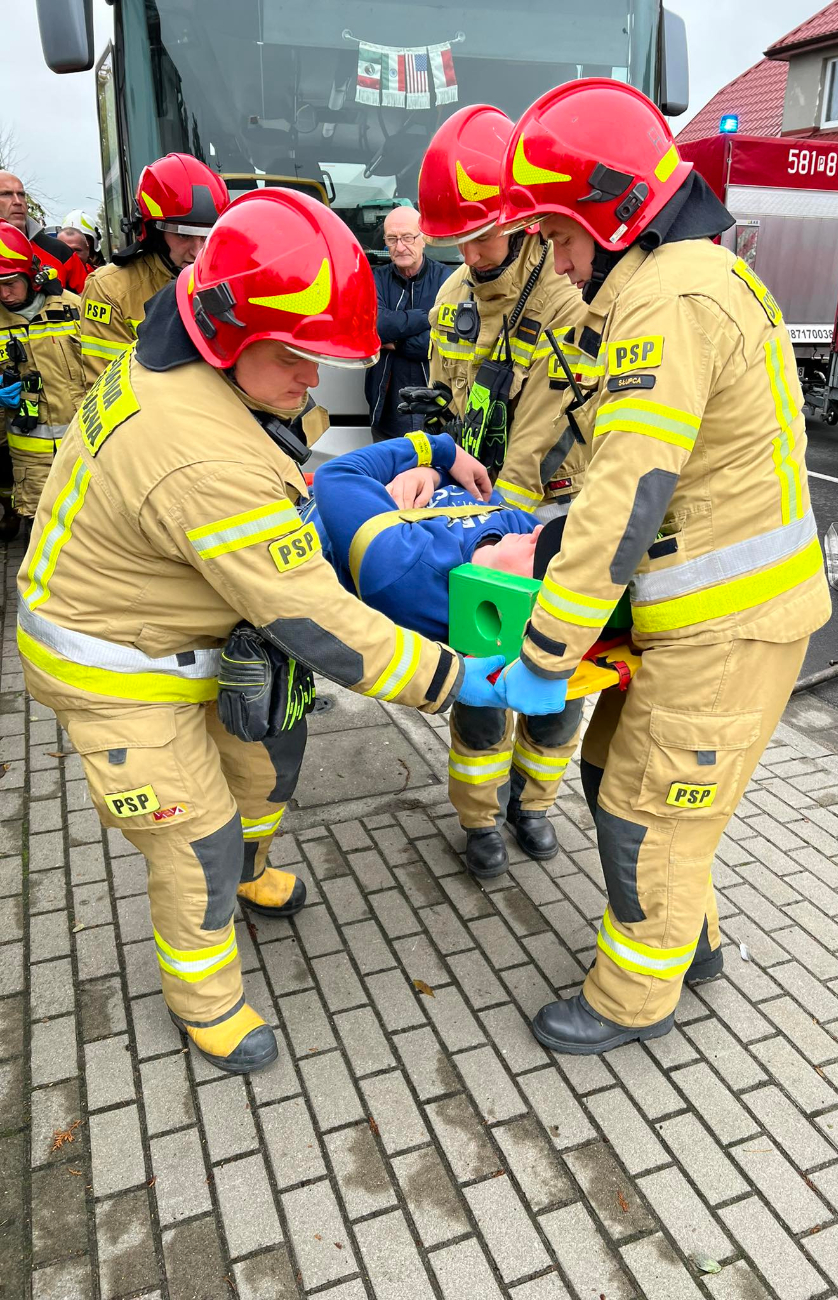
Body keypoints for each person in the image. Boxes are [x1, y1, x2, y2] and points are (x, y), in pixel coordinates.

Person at [17, 189, 520, 1075]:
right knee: (194, 830)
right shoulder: (197, 449)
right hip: (114, 662)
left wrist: (418, 455)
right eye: (295, 359)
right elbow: (318, 623)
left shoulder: (192, 364)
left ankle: (248, 872)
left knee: (258, 765)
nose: (310, 382)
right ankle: (205, 999)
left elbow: (289, 483)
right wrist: (456, 680)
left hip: (176, 622)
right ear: (231, 334)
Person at [495, 79, 832, 1054]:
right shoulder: (685, 280)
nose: (555, 260)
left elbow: (628, 496)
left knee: (649, 814)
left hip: (725, 628)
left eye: (559, 236)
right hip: (712, 618)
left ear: (610, 214)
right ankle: (696, 943)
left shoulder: (667, 298)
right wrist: (554, 546)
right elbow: (634, 473)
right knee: (613, 774)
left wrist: (551, 641)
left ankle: (631, 998)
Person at [411, 104, 588, 879]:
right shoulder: (450, 297)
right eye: (459, 236)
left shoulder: (565, 298)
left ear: (520, 219)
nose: (473, 251)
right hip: (482, 512)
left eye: (485, 232)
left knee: (556, 677)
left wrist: (499, 535)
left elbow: (543, 431)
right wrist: (433, 466)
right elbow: (444, 406)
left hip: (547, 516)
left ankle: (536, 804)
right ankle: (479, 818)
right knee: (482, 678)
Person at [306, 430, 541, 640]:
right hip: (356, 493)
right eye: (555, 540)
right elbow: (471, 484)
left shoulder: (407, 567)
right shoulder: (520, 530)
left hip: (300, 508)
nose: (539, 532)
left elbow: (337, 473)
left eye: (544, 556)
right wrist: (428, 475)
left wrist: (440, 449)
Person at [78, 152, 229, 385]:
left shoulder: (228, 281)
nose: (198, 251)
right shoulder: (110, 290)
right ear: (153, 233)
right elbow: (109, 389)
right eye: (183, 235)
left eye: (207, 237)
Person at [0, 221, 85, 535]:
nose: (4, 293)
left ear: (31, 275)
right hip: (30, 462)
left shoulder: (74, 309)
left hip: (84, 450)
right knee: (42, 536)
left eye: (10, 282)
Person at [365, 205, 451, 441]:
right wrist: (428, 316)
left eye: (407, 237)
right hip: (387, 408)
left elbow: (447, 340)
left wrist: (397, 344)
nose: (399, 246)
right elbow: (377, 325)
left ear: (424, 238)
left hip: (440, 407)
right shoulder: (376, 278)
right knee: (390, 475)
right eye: (392, 239)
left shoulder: (448, 279)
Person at [0, 172, 88, 294]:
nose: (17, 201)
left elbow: (93, 300)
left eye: (21, 195)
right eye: (6, 194)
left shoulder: (59, 252)